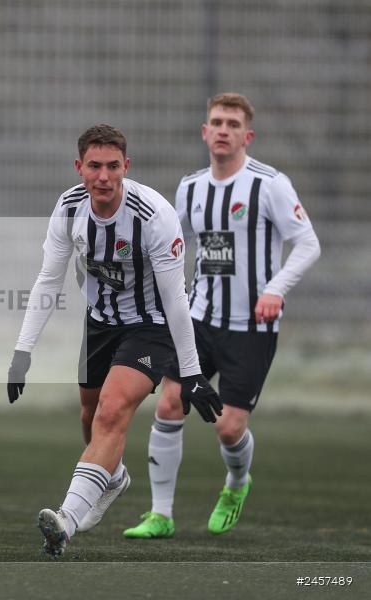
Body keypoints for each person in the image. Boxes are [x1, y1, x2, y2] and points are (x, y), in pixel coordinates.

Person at [7, 124, 223, 558]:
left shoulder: (153, 216)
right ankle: (114, 476)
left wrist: (193, 370)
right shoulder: (69, 209)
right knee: (90, 415)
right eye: (94, 167)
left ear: (126, 166)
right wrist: (22, 352)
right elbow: (48, 282)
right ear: (79, 168)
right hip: (100, 321)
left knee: (111, 408)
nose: (103, 177)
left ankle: (65, 521)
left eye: (112, 167)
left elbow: (176, 299)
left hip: (151, 325)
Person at [123, 93, 321, 539]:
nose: (224, 129)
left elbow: (308, 244)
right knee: (171, 401)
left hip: (251, 326)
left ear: (246, 135)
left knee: (228, 428)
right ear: (205, 132)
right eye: (217, 121)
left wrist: (275, 289)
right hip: (199, 319)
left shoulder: (269, 184)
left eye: (233, 123)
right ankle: (160, 514)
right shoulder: (190, 187)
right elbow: (175, 246)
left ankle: (236, 482)